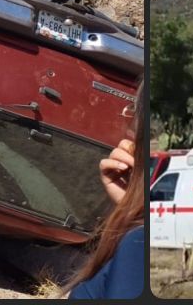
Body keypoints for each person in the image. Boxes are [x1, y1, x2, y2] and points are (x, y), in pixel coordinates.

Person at [62, 85, 144, 299]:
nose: (128, 128)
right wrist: (128, 206)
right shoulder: (138, 236)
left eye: (134, 111)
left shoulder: (138, 243)